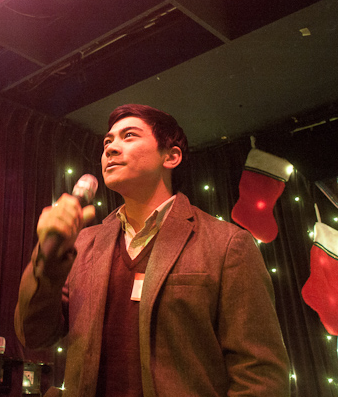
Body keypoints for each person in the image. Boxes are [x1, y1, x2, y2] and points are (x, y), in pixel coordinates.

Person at [15, 104, 289, 396]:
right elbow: (34, 335)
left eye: (129, 136)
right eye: (107, 142)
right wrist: (47, 255)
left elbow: (260, 374)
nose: (110, 148)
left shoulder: (227, 243)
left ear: (171, 156)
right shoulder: (84, 243)